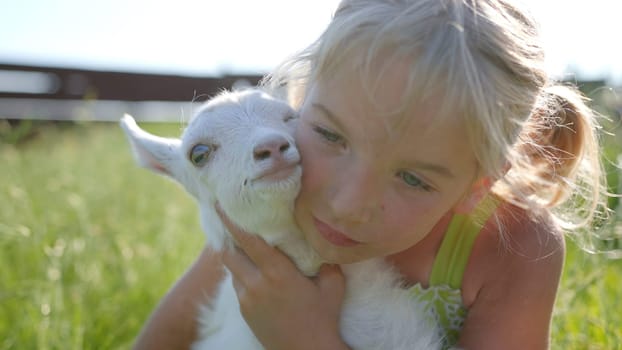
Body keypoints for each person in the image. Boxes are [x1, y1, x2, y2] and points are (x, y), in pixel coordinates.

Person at [133, 0, 607, 349]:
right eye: (330, 136)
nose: (348, 204)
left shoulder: (514, 246)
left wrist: (307, 341)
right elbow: (160, 341)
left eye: (414, 179)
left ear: (475, 184)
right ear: (301, 103)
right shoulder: (270, 211)